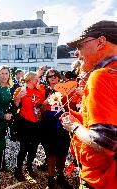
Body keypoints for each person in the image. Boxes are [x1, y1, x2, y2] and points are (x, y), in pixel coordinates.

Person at [60, 20, 117, 189]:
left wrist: (74, 127)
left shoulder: (101, 76)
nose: (76, 53)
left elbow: (105, 141)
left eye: (81, 45)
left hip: (101, 180)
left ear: (101, 42)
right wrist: (80, 117)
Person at [41, 69, 72, 189]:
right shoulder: (44, 91)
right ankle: (50, 178)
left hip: (63, 122)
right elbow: (40, 110)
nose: (53, 78)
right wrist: (44, 104)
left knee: (62, 151)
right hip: (48, 124)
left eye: (55, 76)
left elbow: (72, 105)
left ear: (59, 77)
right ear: (47, 79)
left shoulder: (66, 89)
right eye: (50, 76)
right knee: (50, 152)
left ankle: (60, 175)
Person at [13, 72, 45, 181]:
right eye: (36, 79)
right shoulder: (21, 90)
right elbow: (16, 105)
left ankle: (29, 166)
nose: (38, 80)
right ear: (30, 79)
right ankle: (18, 169)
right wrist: (18, 97)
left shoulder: (39, 91)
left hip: (37, 123)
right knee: (24, 148)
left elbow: (41, 107)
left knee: (34, 147)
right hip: (25, 123)